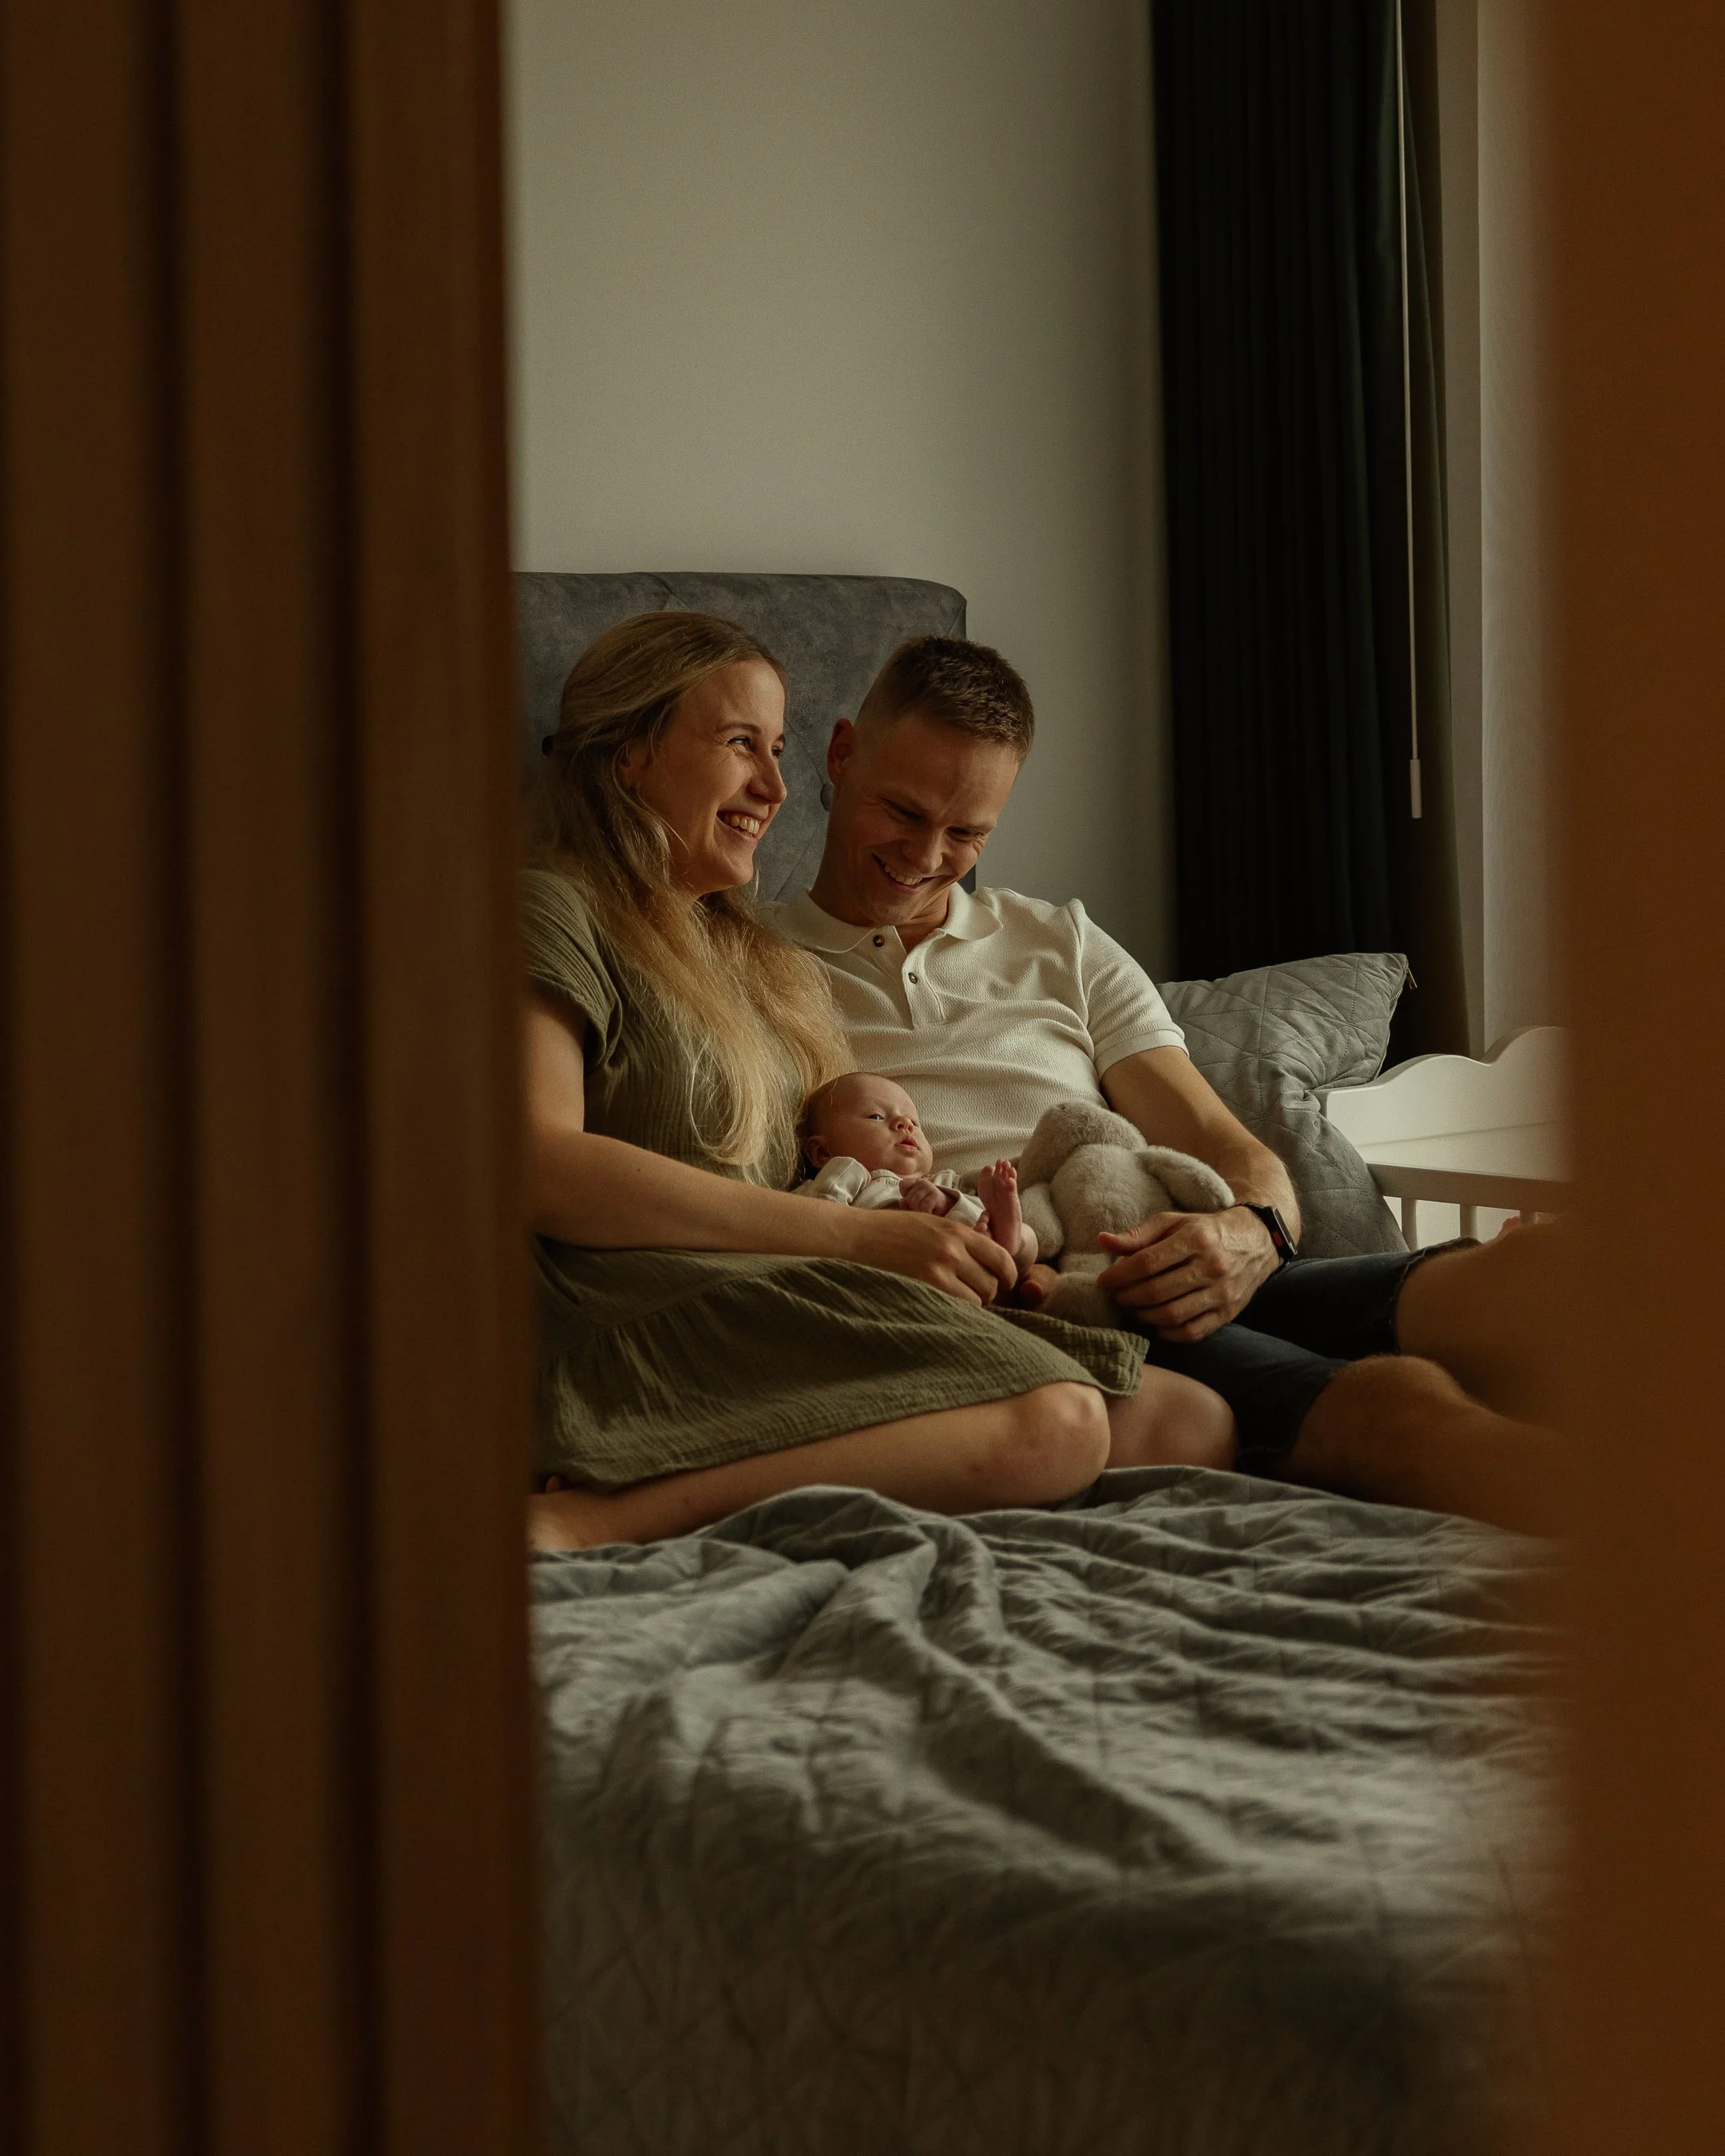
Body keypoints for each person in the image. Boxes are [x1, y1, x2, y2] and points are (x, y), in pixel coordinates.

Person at [763, 635, 1560, 1533]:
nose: (926, 855)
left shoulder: (1059, 941)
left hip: (1144, 1260)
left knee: (1534, 1277)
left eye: (967, 834)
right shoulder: (745, 965)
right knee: (1395, 1410)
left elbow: (1223, 1144)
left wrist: (1251, 1232)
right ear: (841, 754)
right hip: (1014, 1312)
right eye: (901, 812)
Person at [522, 612, 1236, 1550]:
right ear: (629, 754)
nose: (777, 788)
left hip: (782, 1290)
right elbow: (539, 1163)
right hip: (654, 1309)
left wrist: (925, 1224)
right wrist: (851, 1238)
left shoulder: (745, 955)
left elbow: (819, 1160)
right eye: (742, 744)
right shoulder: (557, 906)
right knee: (1060, 1426)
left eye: (778, 749)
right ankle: (592, 1518)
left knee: (1188, 1423)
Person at [795, 1069, 1037, 1278]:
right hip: (885, 1277)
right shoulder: (844, 1181)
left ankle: (1010, 1237)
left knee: (1013, 1232)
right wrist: (837, 1174)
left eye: (914, 1121)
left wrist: (947, 1203)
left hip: (971, 1257)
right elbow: (807, 1228)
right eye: (876, 1116)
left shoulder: (946, 1182)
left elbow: (977, 1213)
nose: (905, 1124)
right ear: (821, 1151)